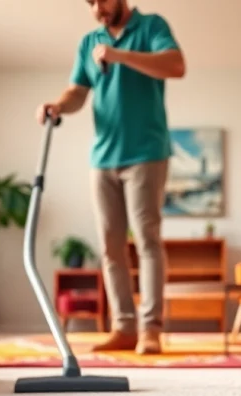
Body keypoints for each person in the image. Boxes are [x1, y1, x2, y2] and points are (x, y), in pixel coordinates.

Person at [37, 0, 185, 355]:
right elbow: (77, 92)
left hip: (147, 153)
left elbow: (175, 65)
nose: (96, 9)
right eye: (89, 3)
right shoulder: (89, 43)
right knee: (110, 247)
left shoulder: (151, 27)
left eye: (100, 0)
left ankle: (151, 329)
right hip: (103, 158)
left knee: (147, 239)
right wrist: (58, 105)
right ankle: (125, 328)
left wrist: (120, 55)